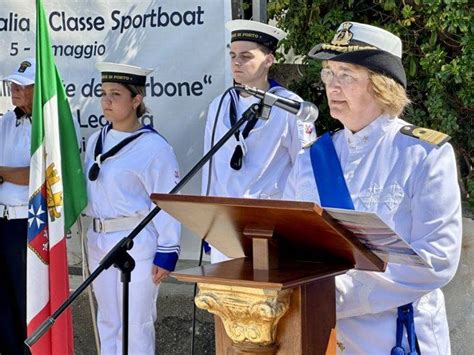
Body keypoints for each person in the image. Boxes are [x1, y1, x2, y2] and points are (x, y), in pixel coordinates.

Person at [283, 22, 462, 353]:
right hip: (324, 337)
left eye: (346, 76)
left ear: (383, 86)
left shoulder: (423, 155)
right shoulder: (311, 160)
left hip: (398, 338)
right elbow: (291, 245)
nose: (332, 87)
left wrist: (334, 294)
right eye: (328, 73)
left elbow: (436, 260)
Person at [84, 62, 181, 355]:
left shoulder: (153, 147)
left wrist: (168, 250)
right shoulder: (95, 140)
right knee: (108, 321)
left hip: (135, 240)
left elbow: (167, 200)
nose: (107, 101)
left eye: (116, 94)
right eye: (103, 94)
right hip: (99, 236)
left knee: (135, 324)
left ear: (136, 100)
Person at [202, 19, 316, 263]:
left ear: (269, 60)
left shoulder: (290, 106)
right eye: (233, 55)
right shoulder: (220, 104)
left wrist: (302, 231)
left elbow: (306, 171)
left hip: (269, 228)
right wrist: (207, 226)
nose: (236, 62)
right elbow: (211, 169)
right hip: (225, 227)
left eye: (246, 56)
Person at [0, 58, 35, 355]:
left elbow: (37, 176)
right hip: (3, 223)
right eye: (14, 83)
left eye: (23, 85)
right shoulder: (5, 121)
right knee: (3, 304)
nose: (15, 89)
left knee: (27, 302)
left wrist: (3, 172)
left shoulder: (50, 124)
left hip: (29, 225)